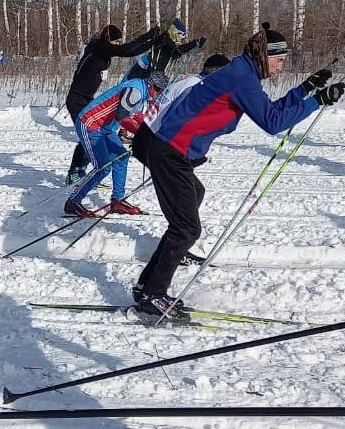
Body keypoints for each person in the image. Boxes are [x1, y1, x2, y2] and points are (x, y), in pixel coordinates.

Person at [134, 23, 343, 323]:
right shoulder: (241, 77)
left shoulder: (243, 73)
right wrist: (317, 101)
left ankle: (146, 288)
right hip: (169, 151)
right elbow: (272, 122)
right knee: (187, 228)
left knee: (193, 200)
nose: (282, 67)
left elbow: (271, 109)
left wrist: (306, 89)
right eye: (279, 60)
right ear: (263, 55)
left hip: (172, 151)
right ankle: (153, 295)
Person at [65, 24, 162, 185]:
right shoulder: (99, 47)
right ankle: (76, 172)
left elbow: (129, 51)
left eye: (118, 42)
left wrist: (153, 41)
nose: (117, 45)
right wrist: (149, 36)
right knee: (89, 135)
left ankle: (86, 171)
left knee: (93, 134)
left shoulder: (102, 48)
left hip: (87, 98)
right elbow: (125, 51)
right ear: (108, 38)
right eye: (116, 41)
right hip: (77, 99)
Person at [64, 70, 169, 218]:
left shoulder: (141, 90)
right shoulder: (136, 90)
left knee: (122, 157)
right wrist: (143, 135)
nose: (157, 94)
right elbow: (122, 117)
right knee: (103, 166)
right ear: (151, 85)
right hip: (90, 123)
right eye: (158, 90)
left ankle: (117, 201)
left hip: (104, 127)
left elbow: (135, 115)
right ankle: (73, 202)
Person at [130, 53, 231, 167]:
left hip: (151, 134)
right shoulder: (195, 86)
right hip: (153, 137)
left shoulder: (194, 82)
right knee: (178, 181)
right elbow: (172, 118)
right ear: (214, 72)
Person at [124, 18, 205, 82]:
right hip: (135, 79)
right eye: (180, 36)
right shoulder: (164, 41)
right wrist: (194, 44)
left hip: (140, 78)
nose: (180, 40)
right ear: (174, 32)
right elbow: (176, 52)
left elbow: (175, 52)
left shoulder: (167, 40)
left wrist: (195, 44)